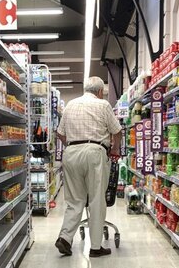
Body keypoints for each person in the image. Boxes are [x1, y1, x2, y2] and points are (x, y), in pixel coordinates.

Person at [55, 76, 122, 258]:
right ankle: (95, 247)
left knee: (74, 200)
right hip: (95, 152)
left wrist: (71, 143)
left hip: (71, 153)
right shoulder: (103, 105)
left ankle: (65, 238)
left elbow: (60, 133)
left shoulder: (70, 105)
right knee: (96, 200)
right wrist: (114, 149)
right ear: (100, 92)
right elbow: (117, 131)